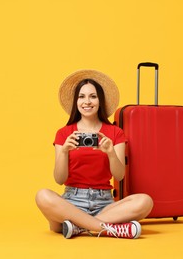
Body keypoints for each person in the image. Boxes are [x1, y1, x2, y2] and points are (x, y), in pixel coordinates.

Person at [35, 69, 153, 239]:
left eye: (93, 96)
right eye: (81, 97)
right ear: (76, 102)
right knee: (43, 196)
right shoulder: (64, 133)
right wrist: (64, 151)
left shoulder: (115, 132)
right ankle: (106, 228)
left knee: (145, 201)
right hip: (71, 202)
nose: (87, 102)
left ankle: (78, 227)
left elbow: (119, 176)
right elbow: (59, 179)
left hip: (103, 203)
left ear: (100, 101)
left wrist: (111, 152)